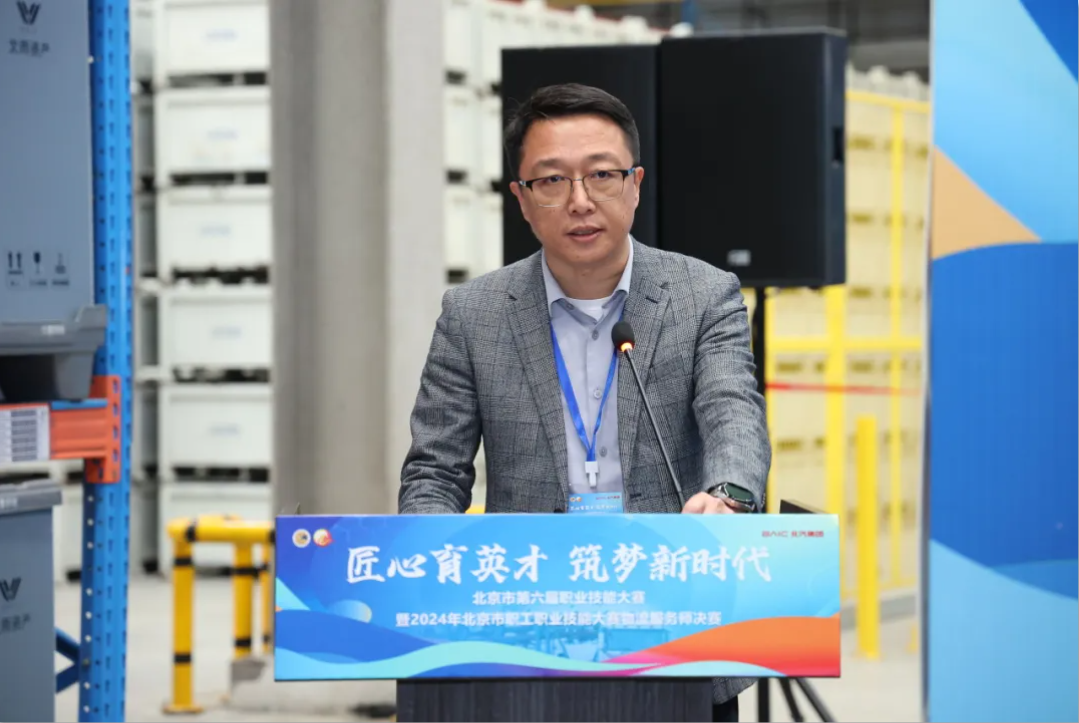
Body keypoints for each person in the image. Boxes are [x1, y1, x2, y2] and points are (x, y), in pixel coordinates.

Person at [400, 82, 771, 723]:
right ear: (521, 199)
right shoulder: (473, 314)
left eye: (602, 174)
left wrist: (729, 494)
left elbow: (732, 410)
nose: (580, 200)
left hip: (674, 624)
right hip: (522, 626)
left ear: (635, 184)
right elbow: (435, 469)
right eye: (551, 180)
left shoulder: (704, 295)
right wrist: (433, 554)